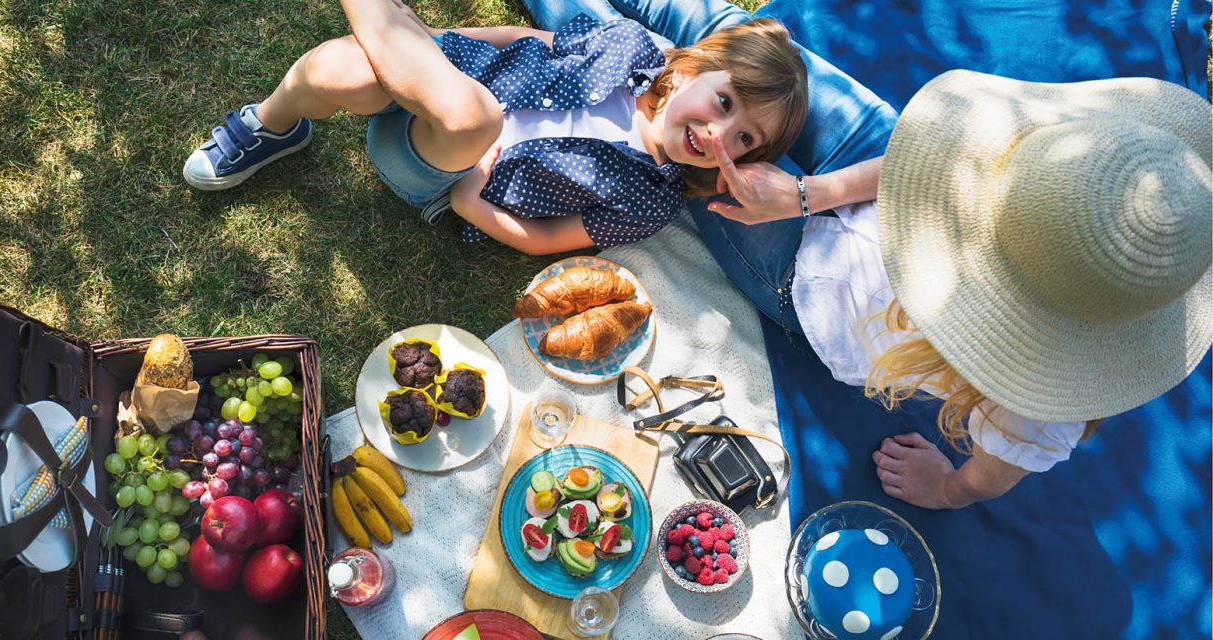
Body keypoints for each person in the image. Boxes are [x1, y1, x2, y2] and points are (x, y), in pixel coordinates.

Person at [520, 0, 1212, 508]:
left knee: (687, 141)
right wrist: (809, 192)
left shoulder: (1043, 398)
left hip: (808, 276)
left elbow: (990, 476)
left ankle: (562, 54)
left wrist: (944, 489)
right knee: (729, 58)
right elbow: (928, 158)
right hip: (876, 163)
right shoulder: (1068, 182)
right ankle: (591, 37)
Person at [181, 0, 808, 255]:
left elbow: (547, 241)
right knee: (339, 73)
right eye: (725, 103)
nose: (720, 136)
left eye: (745, 140)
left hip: (439, 162)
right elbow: (525, 39)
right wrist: (438, 42)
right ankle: (273, 125)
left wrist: (471, 199)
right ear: (699, 67)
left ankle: (381, 18)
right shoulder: (630, 44)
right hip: (453, 73)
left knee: (473, 118)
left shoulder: (652, 198)